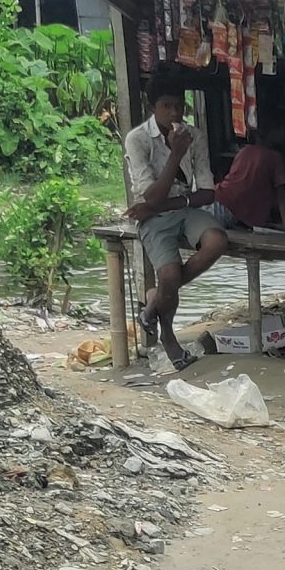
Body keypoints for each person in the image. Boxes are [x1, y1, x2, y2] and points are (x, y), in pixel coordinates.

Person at [123, 81, 227, 373]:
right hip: (153, 218)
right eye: (166, 106)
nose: (174, 112)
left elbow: (207, 192)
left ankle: (154, 304)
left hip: (185, 210)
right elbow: (151, 196)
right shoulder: (138, 139)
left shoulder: (195, 135)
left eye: (179, 106)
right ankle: (169, 338)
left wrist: (166, 204)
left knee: (217, 241)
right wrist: (176, 154)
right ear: (152, 107)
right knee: (167, 273)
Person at [214, 120, 285, 231]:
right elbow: (282, 196)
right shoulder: (275, 157)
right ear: (273, 132)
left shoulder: (244, 151)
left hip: (216, 199)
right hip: (230, 208)